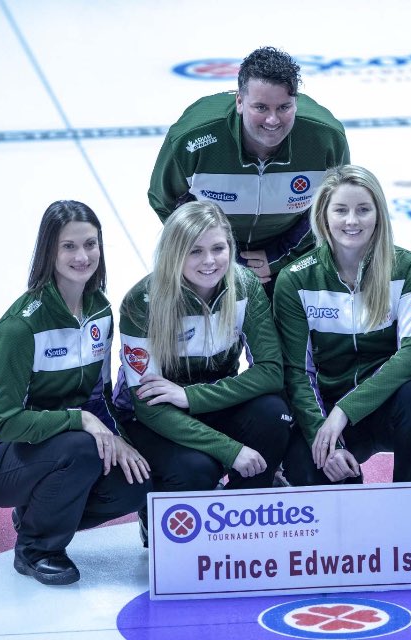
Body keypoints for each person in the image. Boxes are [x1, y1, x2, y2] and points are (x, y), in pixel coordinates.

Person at [0, 200, 150, 586]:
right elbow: (7, 422)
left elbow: (100, 396)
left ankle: (36, 511)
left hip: (56, 448)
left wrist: (120, 441)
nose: (82, 256)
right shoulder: (20, 327)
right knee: (80, 449)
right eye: (69, 246)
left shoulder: (100, 311)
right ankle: (37, 549)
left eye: (90, 244)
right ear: (49, 250)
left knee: (135, 481)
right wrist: (79, 419)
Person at [113, 201, 292, 545]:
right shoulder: (142, 301)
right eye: (195, 251)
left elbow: (271, 372)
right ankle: (155, 515)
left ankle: (244, 522)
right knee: (197, 468)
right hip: (155, 417)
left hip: (207, 399)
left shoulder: (244, 285)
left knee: (273, 412)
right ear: (173, 253)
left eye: (218, 248)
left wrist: (191, 396)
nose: (210, 261)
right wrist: (230, 450)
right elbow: (148, 405)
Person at [274, 165, 411, 486]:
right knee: (307, 469)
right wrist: (329, 439)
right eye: (341, 210)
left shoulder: (407, 268)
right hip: (326, 414)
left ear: (378, 214)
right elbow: (297, 373)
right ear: (323, 216)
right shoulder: (296, 278)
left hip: (387, 407)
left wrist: (346, 410)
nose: (352, 221)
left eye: (363, 210)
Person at [147, 46, 351, 297]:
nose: (273, 120)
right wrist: (217, 256)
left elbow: (332, 208)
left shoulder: (326, 138)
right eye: (261, 107)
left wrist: (280, 255)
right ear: (240, 102)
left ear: (295, 103)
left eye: (284, 107)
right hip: (211, 259)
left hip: (290, 256)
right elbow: (166, 203)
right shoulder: (193, 138)